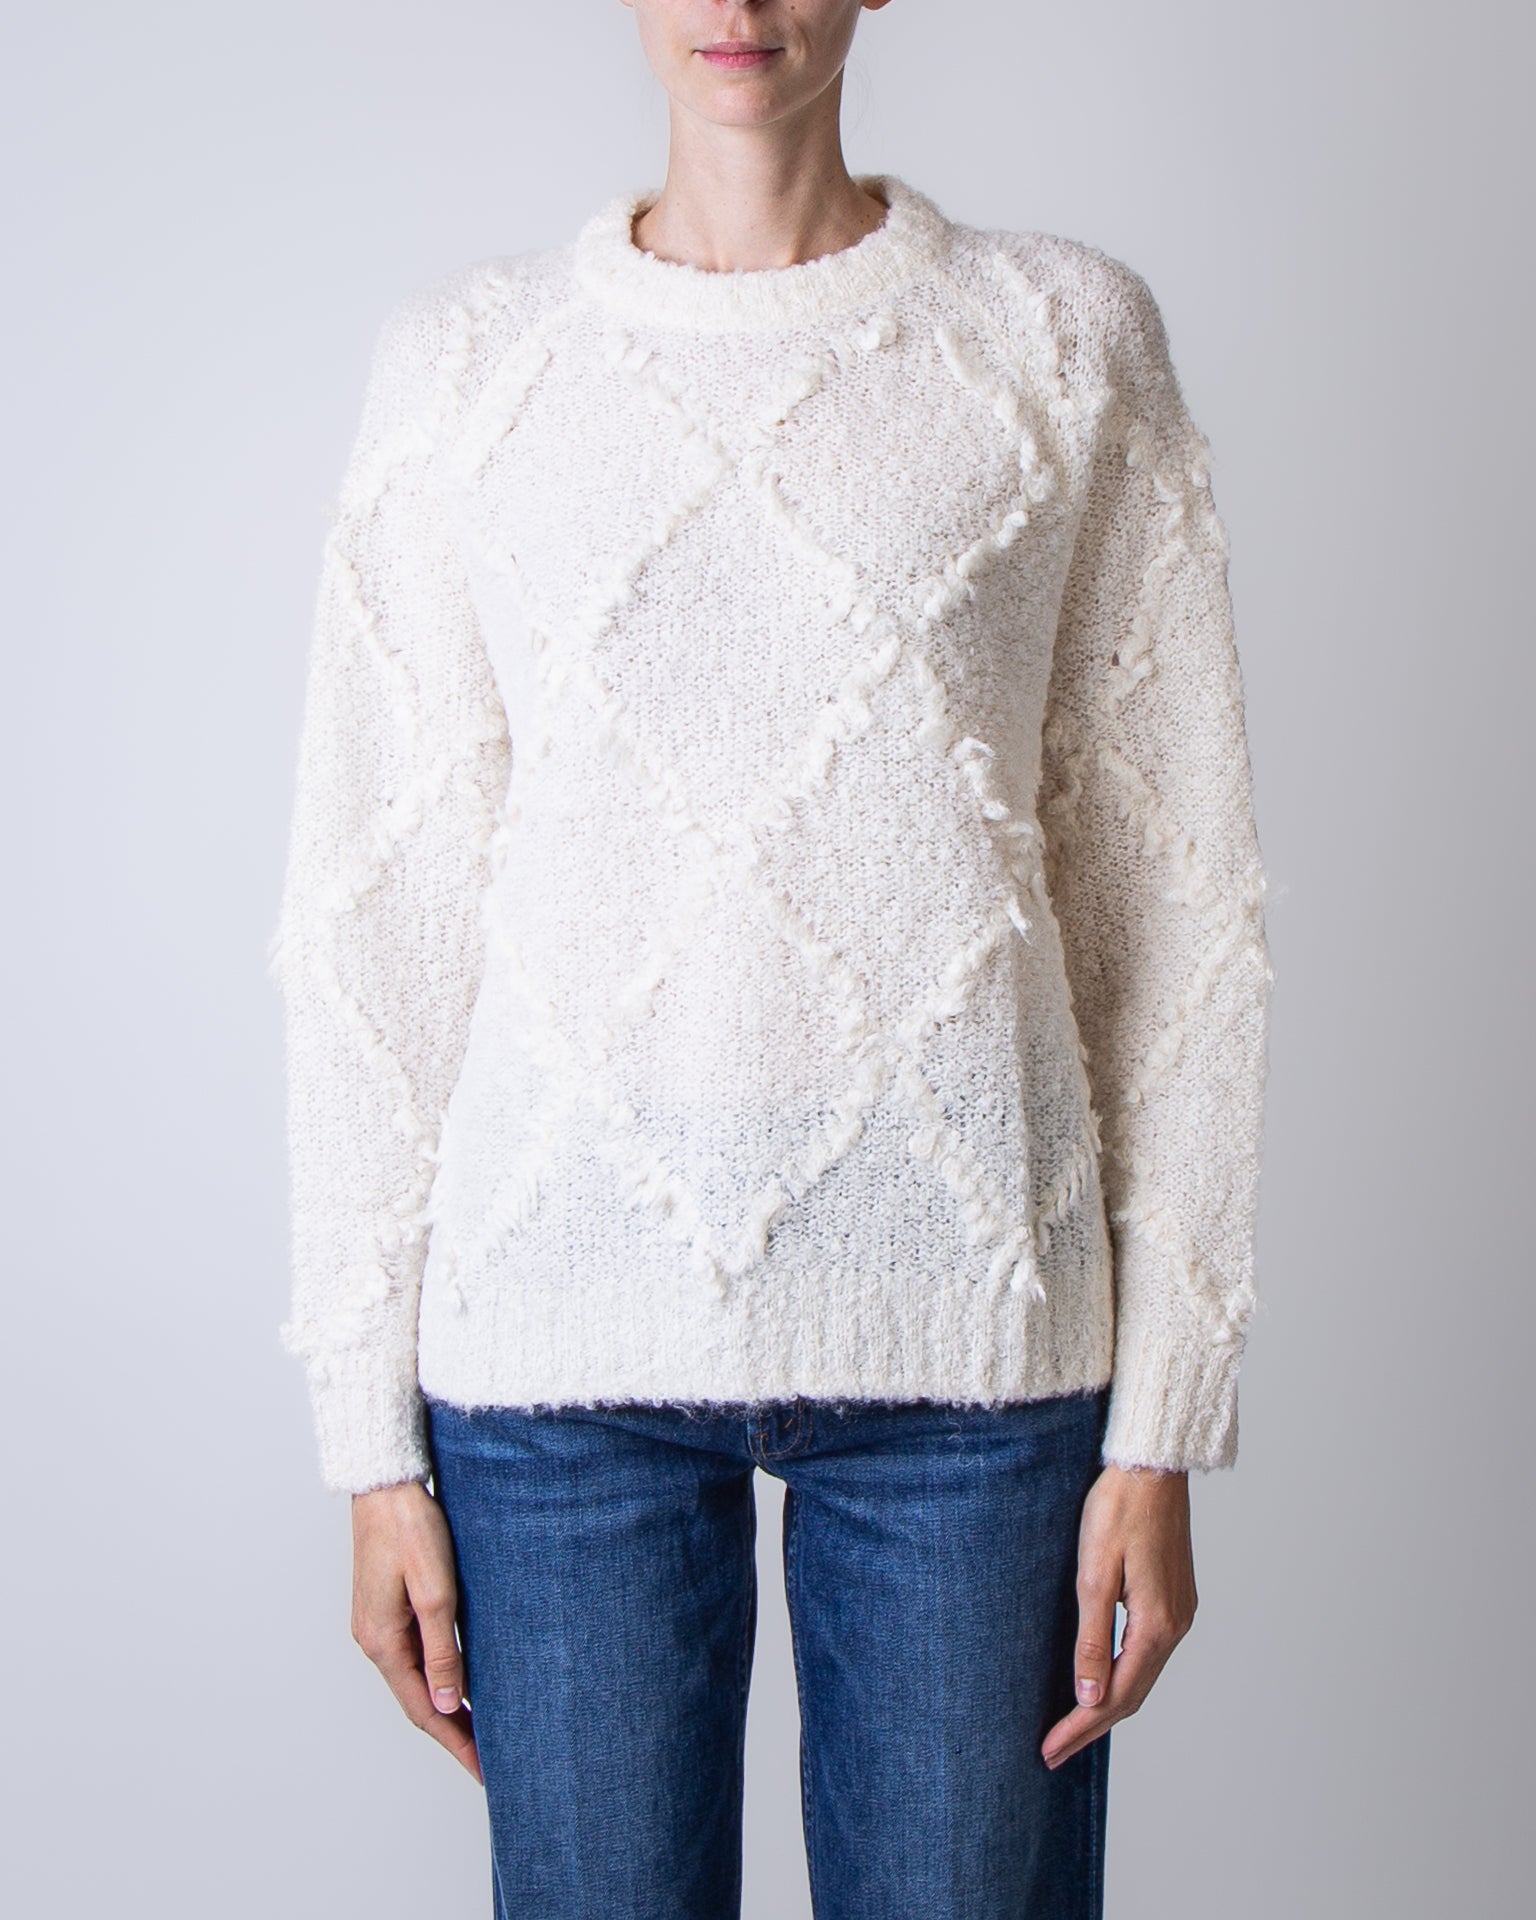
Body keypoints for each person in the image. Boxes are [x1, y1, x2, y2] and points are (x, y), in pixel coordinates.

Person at [267, 3, 1274, 1914]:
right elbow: (375, 926)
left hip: (975, 1340)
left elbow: (1175, 904)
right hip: (555, 1350)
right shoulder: (466, 369)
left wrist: (1165, 1419)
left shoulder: (1062, 340)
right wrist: (368, 1448)